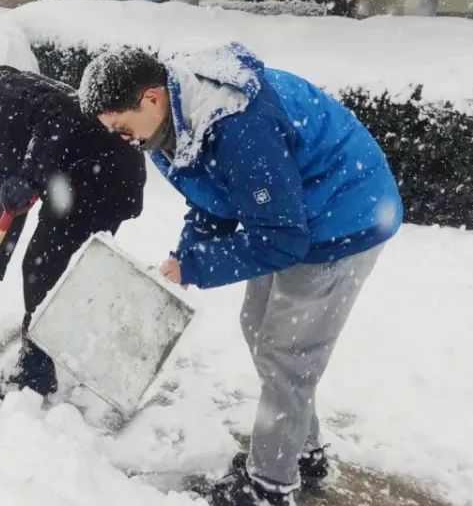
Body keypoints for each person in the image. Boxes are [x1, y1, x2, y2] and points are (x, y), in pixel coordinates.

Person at [78, 44, 403, 506]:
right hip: (293, 216)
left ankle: (271, 485)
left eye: (120, 126)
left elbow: (281, 239)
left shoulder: (238, 125)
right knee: (258, 328)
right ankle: (300, 451)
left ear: (150, 98)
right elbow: (215, 193)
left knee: (286, 353)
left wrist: (196, 266)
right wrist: (185, 256)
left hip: (343, 218)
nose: (121, 138)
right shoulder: (167, 126)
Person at [0, 51, 146, 399]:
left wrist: (31, 175)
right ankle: (64, 346)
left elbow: (60, 111)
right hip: (78, 181)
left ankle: (36, 375)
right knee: (57, 270)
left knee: (43, 267)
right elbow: (10, 208)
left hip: (102, 173)